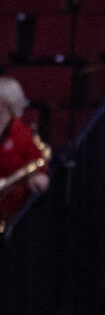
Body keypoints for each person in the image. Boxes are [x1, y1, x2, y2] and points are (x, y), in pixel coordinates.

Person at [0, 76, 50, 227]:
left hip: (12, 209)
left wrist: (36, 178)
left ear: (8, 104)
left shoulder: (24, 134)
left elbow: (39, 168)